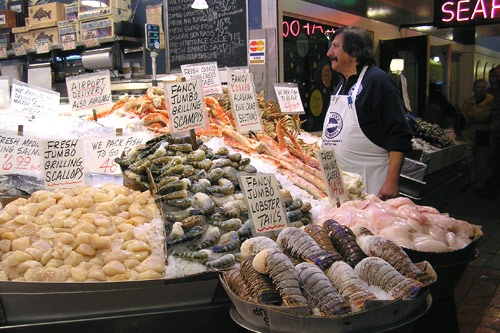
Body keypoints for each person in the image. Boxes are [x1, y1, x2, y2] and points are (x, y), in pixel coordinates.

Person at [322, 26, 412, 200]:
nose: (329, 53)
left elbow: (399, 134)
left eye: (335, 46)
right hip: (341, 186)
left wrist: (392, 181)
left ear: (354, 50)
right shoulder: (341, 85)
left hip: (370, 185)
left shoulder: (378, 81)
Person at [459, 79, 494, 192]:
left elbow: (485, 116)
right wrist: (476, 117)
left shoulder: (490, 101)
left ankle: (480, 184)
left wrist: (472, 116)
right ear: (474, 88)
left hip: (484, 135)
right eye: (479, 87)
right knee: (466, 159)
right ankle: (467, 180)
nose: (481, 90)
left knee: (482, 162)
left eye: (483, 87)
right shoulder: (468, 101)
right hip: (469, 134)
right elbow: (463, 115)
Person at [481, 65, 500, 198]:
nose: (495, 79)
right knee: (493, 160)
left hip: (494, 129)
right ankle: (491, 185)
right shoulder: (489, 93)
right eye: (493, 76)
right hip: (493, 131)